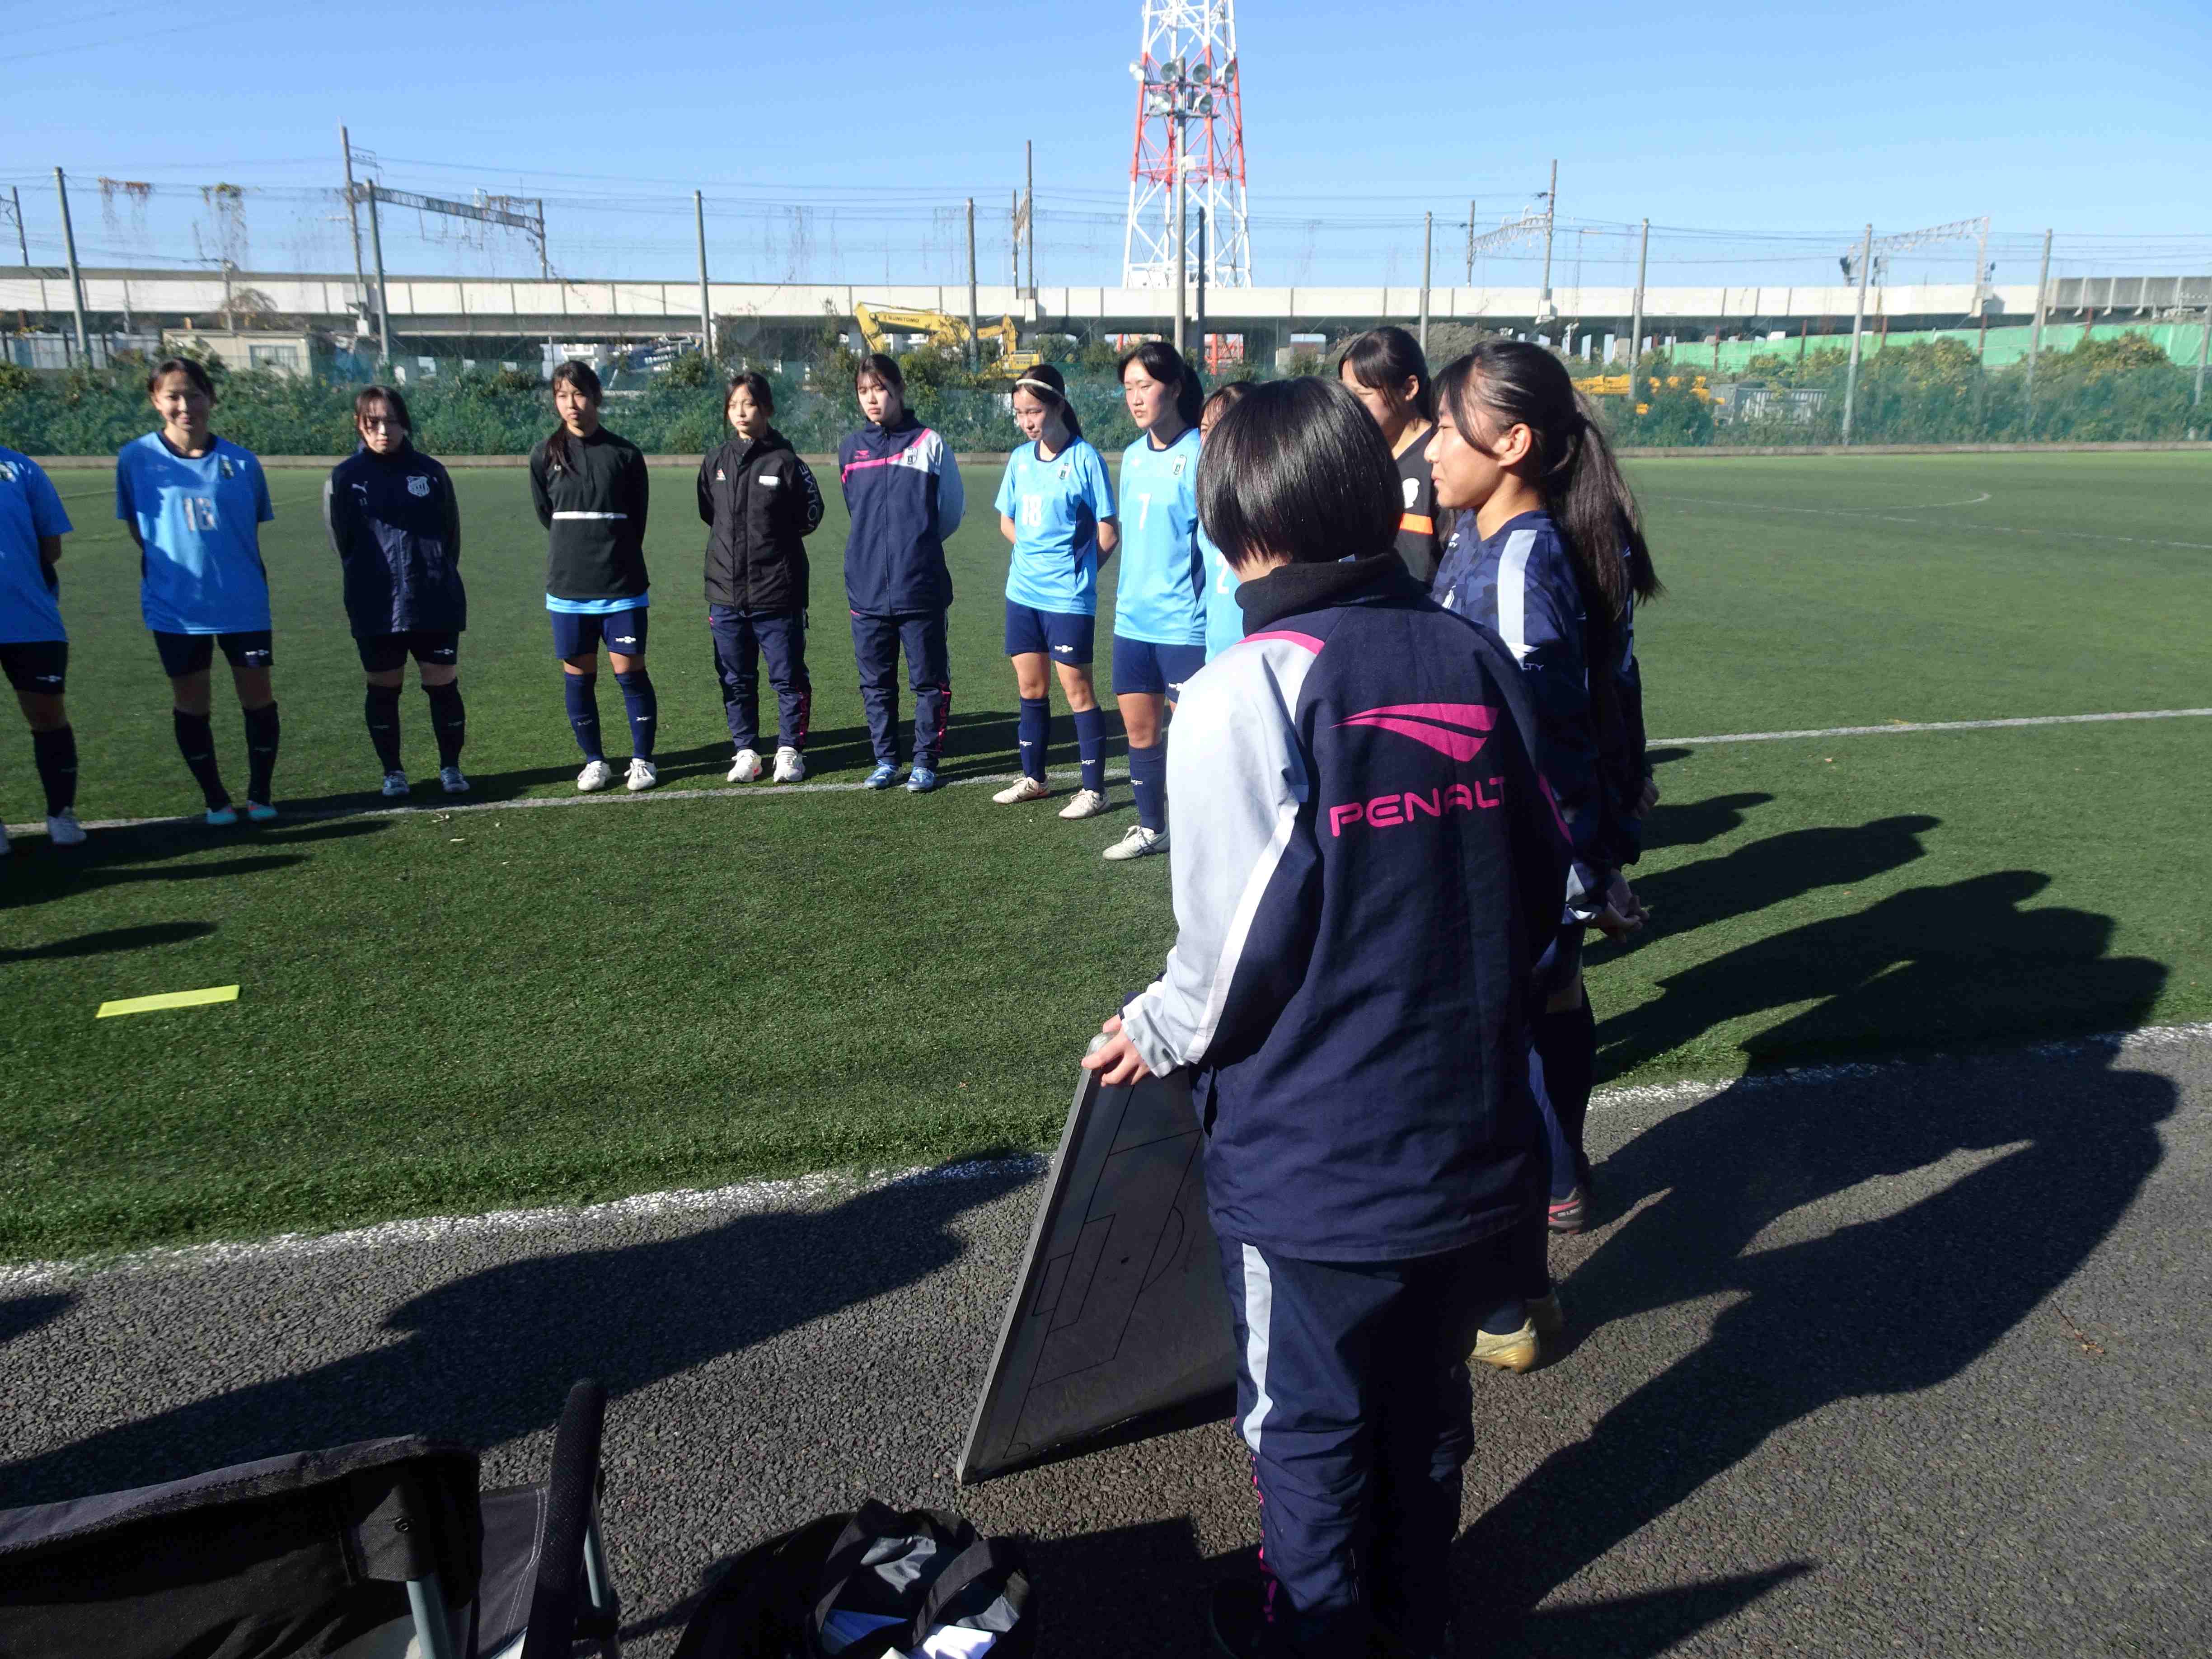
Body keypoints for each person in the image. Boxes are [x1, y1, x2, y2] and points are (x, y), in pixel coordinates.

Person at [1083, 376, 1570, 1659]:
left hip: (1317, 1168)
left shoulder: (1245, 685)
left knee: (1303, 1425)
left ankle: (1314, 1635)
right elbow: (1543, 884)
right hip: (1470, 1142)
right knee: (1428, 1408)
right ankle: (1419, 1620)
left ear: (1236, 524)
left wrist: (1156, 1027)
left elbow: (1232, 950)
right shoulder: (1470, 653)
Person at [1426, 339, 1658, 1260]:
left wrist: (1583, 875)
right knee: (1548, 1002)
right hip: (1495, 842)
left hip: (1513, 853)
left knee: (1505, 1028)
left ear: (1513, 443)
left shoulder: (1524, 559)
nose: (1432, 448)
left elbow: (1549, 739)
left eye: (1449, 430)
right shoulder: (1473, 537)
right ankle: (1559, 1179)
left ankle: (1536, 1211)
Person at [116, 357, 281, 825]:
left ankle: (261, 794)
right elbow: (140, 530)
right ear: (156, 400)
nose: (185, 406)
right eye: (173, 396)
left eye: (194, 394)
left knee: (258, 699)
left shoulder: (242, 462)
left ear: (211, 397)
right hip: (177, 608)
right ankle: (215, 800)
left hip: (243, 604)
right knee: (192, 703)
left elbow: (246, 530)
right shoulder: (135, 459)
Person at [323, 384, 469, 797]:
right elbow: (342, 542)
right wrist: (368, 578)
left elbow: (451, 535)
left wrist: (434, 571)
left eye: (391, 420)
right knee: (384, 689)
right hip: (375, 604)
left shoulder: (431, 473)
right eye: (373, 422)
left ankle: (451, 768)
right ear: (359, 425)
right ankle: (393, 772)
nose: (383, 430)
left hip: (433, 598)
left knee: (443, 685)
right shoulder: (345, 477)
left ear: (404, 422)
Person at [989, 363, 1118, 819]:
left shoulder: (1085, 459)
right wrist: (1031, 553)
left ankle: (1094, 791)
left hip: (1067, 599)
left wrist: (1079, 573)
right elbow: (1007, 520)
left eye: (1034, 411)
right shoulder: (1020, 460)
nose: (1027, 422)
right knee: (1031, 687)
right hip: (1022, 593)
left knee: (1077, 690)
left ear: (1058, 406)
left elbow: (1108, 531)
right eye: (1020, 413)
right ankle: (1035, 779)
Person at [838, 353, 964, 793]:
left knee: (928, 681)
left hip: (920, 585)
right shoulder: (850, 449)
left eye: (880, 389)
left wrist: (916, 546)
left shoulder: (930, 443)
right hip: (866, 587)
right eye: (863, 391)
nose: (872, 399)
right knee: (876, 683)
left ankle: (925, 761)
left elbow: (951, 513)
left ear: (899, 390)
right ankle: (886, 759)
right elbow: (856, 510)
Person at [530, 360, 657, 793]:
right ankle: (595, 761)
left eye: (580, 394)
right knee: (579, 678)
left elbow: (637, 520)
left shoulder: (625, 455)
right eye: (562, 396)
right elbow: (547, 515)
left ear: (597, 397)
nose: (572, 404)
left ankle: (642, 760)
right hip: (568, 590)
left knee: (631, 675)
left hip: (622, 588)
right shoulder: (544, 455)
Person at [1101, 342, 1206, 861]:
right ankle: (1152, 828)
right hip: (1132, 623)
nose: (1136, 398)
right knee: (1140, 734)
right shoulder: (1134, 456)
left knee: (1193, 743)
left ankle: (1202, 837)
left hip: (1185, 625)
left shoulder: (1202, 452)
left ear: (1176, 387)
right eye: (1128, 388)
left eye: (1145, 385)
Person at [698, 370, 824, 784]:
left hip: (778, 592)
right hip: (725, 592)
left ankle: (790, 752)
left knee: (788, 679)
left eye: (749, 404)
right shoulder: (715, 460)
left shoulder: (787, 462)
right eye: (733, 405)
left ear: (767, 409)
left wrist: (773, 544)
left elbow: (811, 515)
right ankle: (746, 751)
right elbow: (709, 512)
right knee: (735, 679)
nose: (741, 412)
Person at [0, 442, 81, 853]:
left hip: (29, 617)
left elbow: (52, 546)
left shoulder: (21, 469)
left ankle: (61, 812)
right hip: (29, 615)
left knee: (49, 717)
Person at [1339, 325, 1452, 584]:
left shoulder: (1440, 457)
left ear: (1409, 388)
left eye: (1362, 395)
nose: (1350, 407)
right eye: (1346, 395)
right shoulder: (1355, 456)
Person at [1195, 380, 1249, 664]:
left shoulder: (1272, 502)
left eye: (1220, 427)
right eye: (1204, 430)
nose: (1208, 440)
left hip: (1262, 658)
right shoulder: (1209, 504)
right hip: (1216, 660)